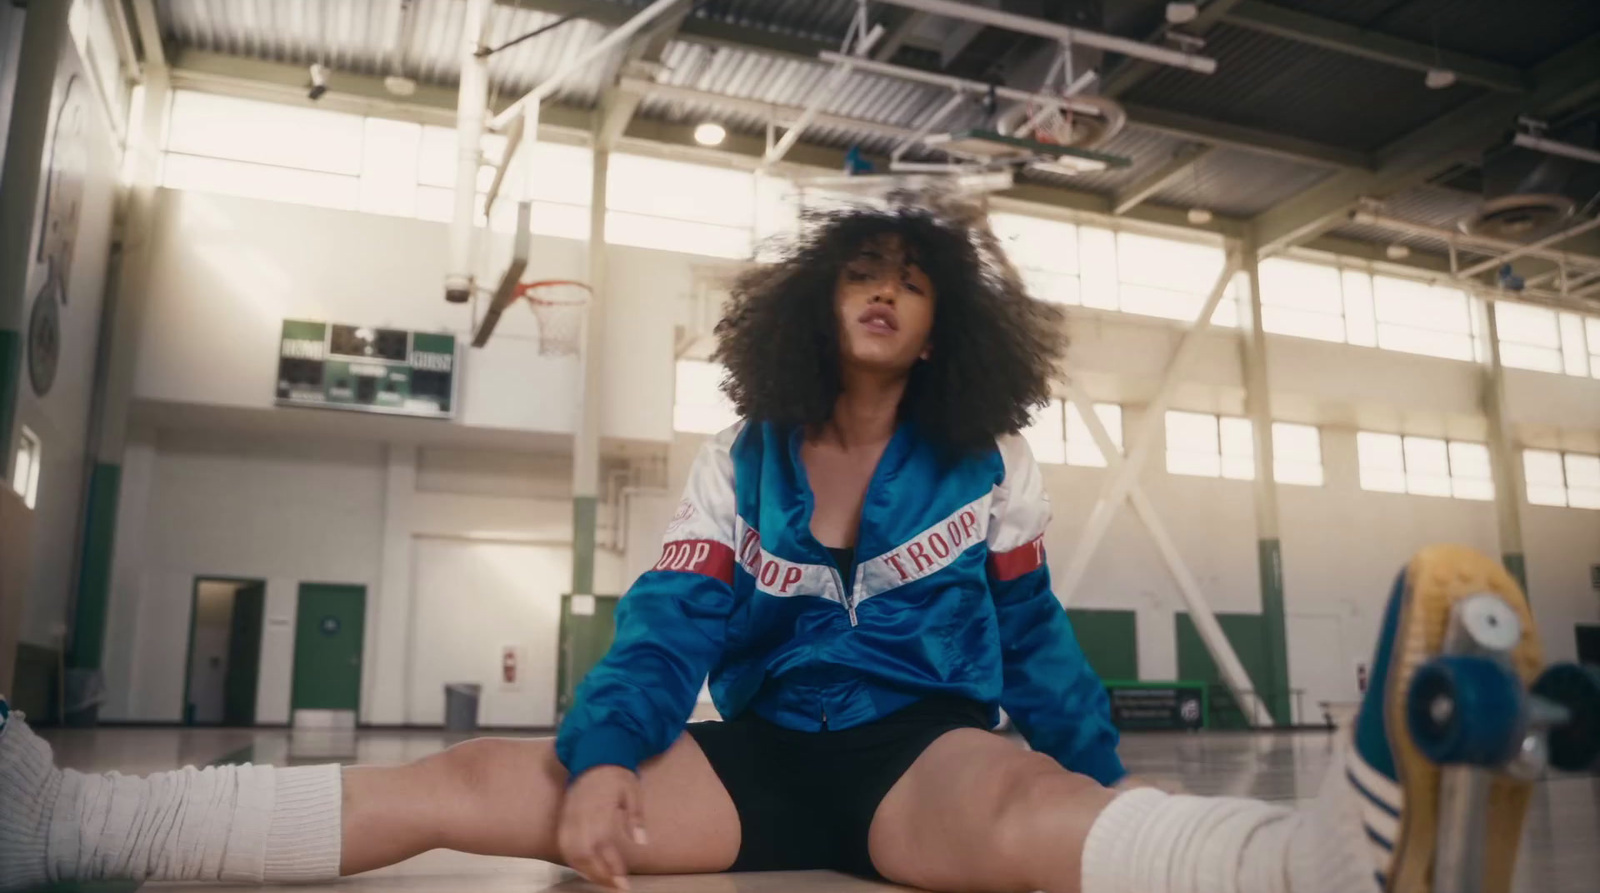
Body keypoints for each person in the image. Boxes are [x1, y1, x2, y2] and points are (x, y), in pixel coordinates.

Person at [0, 201, 1544, 893]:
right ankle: (75, 831)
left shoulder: (991, 466)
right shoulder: (730, 463)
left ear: (950, 318)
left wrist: (1101, 780)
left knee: (1030, 814)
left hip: (924, 759)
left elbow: (1041, 657)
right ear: (816, 304)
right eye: (857, 274)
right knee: (478, 783)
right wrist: (609, 755)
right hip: (750, 763)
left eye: (910, 280)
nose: (882, 293)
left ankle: (1320, 868)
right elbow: (665, 631)